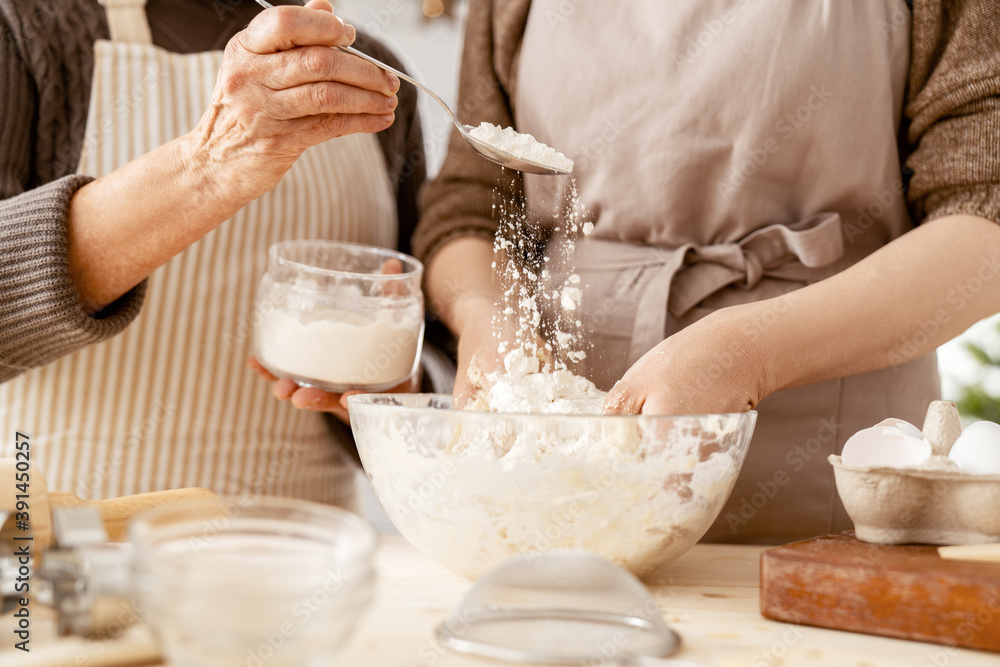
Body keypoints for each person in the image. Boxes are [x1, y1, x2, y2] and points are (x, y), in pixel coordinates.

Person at [413, 0, 1000, 543]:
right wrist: (484, 318)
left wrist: (747, 353)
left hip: (827, 461)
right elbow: (469, 203)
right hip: (552, 478)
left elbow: (985, 216)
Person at [0, 0, 425, 506]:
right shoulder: (22, 29)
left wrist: (395, 393)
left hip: (303, 560)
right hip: (64, 555)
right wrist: (209, 164)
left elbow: (436, 365)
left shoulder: (370, 73)